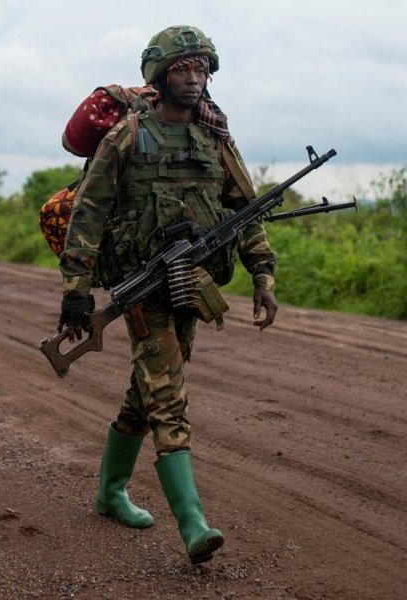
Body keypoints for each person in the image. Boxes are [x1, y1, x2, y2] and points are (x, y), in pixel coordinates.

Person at [57, 25, 278, 565]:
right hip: (141, 288)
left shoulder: (214, 140)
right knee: (168, 396)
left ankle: (110, 493)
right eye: (182, 67)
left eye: (202, 67)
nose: (194, 77)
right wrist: (77, 294)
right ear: (160, 74)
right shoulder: (128, 137)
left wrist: (263, 275)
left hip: (192, 285)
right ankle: (194, 524)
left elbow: (244, 212)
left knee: (148, 387)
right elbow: (88, 216)